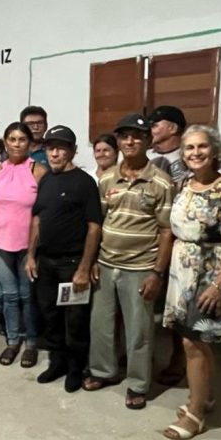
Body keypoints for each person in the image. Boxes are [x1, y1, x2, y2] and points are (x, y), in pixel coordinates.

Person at [162, 125, 221, 440]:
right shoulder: (184, 184)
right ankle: (205, 396)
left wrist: (219, 285)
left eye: (202, 147)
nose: (195, 153)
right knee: (196, 340)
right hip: (182, 272)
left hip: (212, 273)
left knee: (193, 343)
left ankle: (195, 414)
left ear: (214, 150)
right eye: (189, 148)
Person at [84, 113, 174, 410]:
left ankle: (137, 384)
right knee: (101, 324)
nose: (130, 141)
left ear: (148, 140)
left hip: (141, 268)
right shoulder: (107, 177)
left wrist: (157, 273)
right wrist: (93, 260)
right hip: (107, 263)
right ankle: (103, 371)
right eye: (124, 136)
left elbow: (166, 230)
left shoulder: (161, 182)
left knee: (139, 330)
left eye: (136, 135)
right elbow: (97, 222)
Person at [25, 126, 102, 392]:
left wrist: (84, 267)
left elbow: (94, 226)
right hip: (45, 262)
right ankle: (56, 363)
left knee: (75, 320)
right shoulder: (46, 179)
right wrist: (31, 255)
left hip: (72, 264)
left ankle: (74, 369)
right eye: (50, 147)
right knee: (50, 316)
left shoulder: (84, 182)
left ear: (72, 150)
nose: (54, 153)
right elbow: (37, 219)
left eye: (60, 148)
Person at [0, 122, 47, 367]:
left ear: (29, 143)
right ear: (5, 143)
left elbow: (41, 215)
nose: (17, 144)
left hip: (29, 248)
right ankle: (12, 341)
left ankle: (30, 343)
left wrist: (32, 251)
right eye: (12, 139)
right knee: (9, 296)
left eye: (22, 139)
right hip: (2, 245)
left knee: (28, 296)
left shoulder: (38, 171)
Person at [147, 106, 189, 387]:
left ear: (173, 128)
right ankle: (142, 354)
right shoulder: (149, 159)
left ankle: (179, 360)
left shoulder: (190, 158)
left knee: (179, 307)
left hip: (182, 241)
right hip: (150, 239)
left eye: (156, 123)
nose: (150, 128)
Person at [148, 105, 188, 181]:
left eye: (154, 126)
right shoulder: (142, 156)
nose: (148, 130)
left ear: (173, 128)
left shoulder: (190, 156)